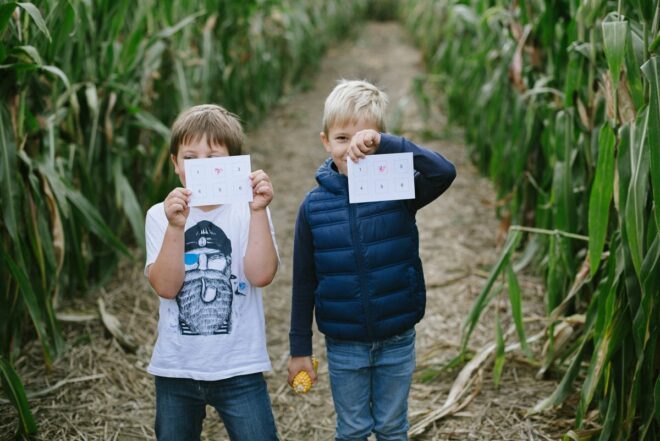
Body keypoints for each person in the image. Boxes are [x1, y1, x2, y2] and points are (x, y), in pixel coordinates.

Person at [287, 80, 456, 440]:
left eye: (364, 138)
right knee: (352, 429)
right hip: (344, 343)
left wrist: (390, 147)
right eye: (342, 138)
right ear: (325, 141)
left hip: (397, 337)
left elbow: (444, 172)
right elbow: (303, 280)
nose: (351, 149)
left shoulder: (398, 188)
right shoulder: (313, 207)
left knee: (393, 428)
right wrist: (299, 348)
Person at [145, 104, 279, 440]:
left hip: (240, 367)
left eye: (214, 158)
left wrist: (259, 211)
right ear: (175, 164)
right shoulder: (159, 216)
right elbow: (165, 286)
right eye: (190, 158)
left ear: (235, 165)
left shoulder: (248, 212)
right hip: (177, 369)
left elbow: (261, 275)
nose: (201, 167)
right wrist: (177, 227)